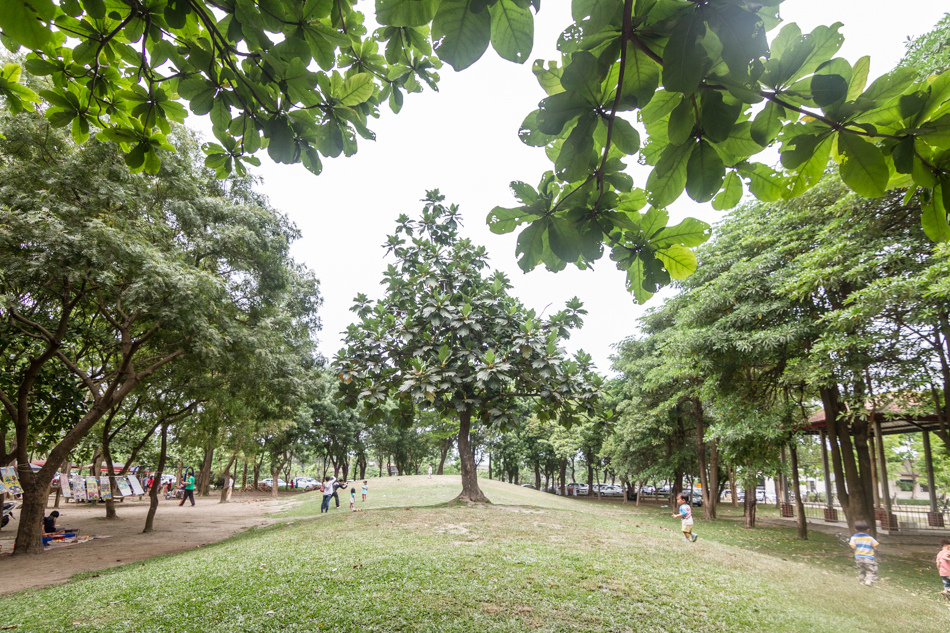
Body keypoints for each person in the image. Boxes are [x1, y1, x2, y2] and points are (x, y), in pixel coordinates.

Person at [848, 520, 879, 586]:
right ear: (868, 529)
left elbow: (853, 547)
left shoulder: (853, 538)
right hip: (868, 557)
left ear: (855, 529)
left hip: (858, 557)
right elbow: (875, 547)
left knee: (861, 570)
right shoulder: (870, 538)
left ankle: (862, 581)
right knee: (871, 570)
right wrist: (874, 552)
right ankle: (868, 581)